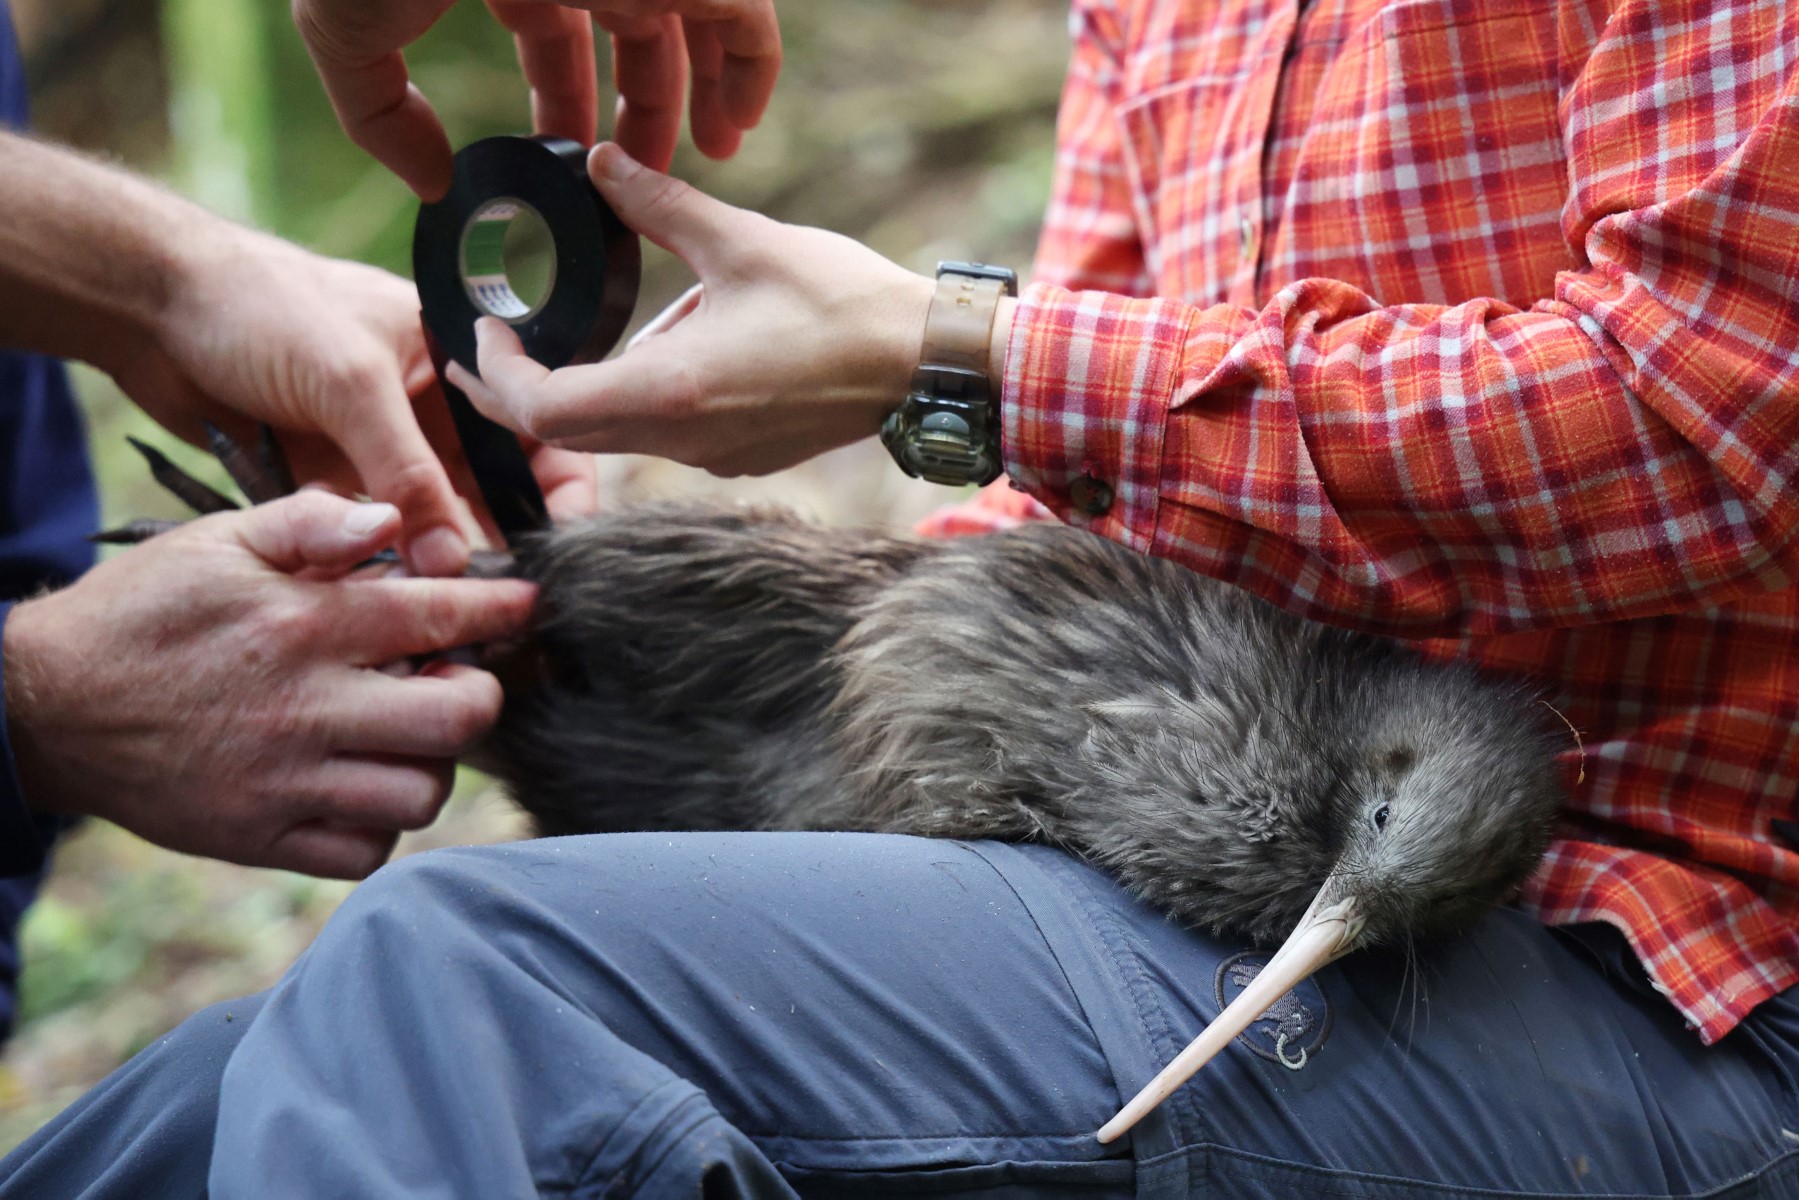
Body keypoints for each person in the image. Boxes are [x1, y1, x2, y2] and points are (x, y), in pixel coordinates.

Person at [8, 0, 1799, 1196]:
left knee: (464, 989)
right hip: (1173, 870)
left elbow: (1708, 406)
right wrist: (585, 609)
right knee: (179, 1124)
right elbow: (1094, 515)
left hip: (1655, 969)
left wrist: (955, 353)